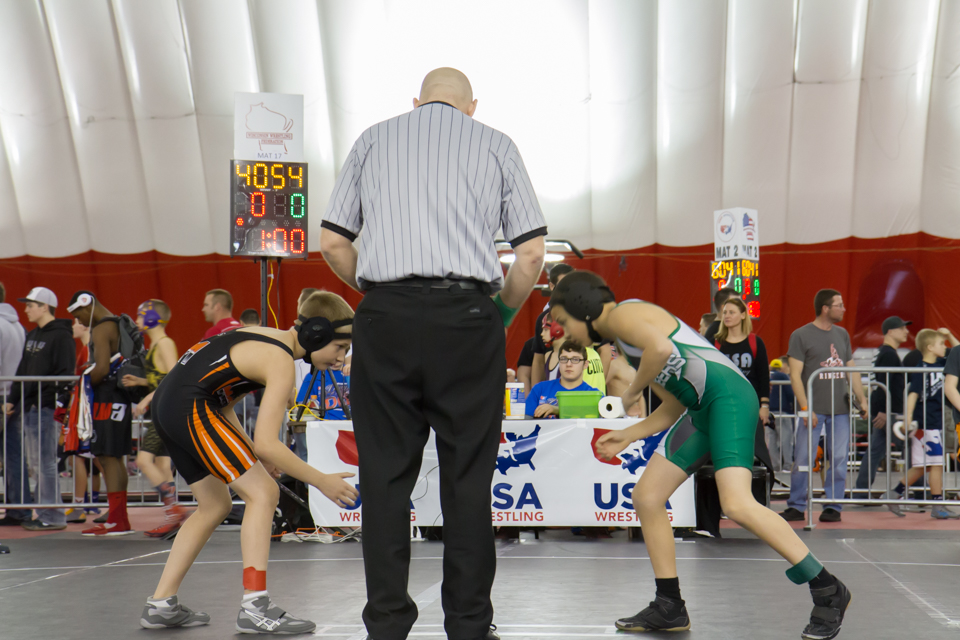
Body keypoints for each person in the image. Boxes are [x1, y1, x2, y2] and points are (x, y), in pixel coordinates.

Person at [320, 67, 546, 640]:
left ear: (416, 101)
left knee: (384, 479)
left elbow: (333, 241)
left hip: (385, 318)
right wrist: (500, 315)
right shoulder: (496, 143)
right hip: (467, 319)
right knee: (468, 479)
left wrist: (379, 295)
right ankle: (469, 625)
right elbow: (530, 255)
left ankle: (387, 625)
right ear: (472, 107)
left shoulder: (373, 139)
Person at [550, 271, 851, 640]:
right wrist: (628, 434)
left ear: (582, 308)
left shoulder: (622, 315)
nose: (564, 331)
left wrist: (630, 393)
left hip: (728, 398)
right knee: (647, 496)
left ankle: (827, 588)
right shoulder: (627, 342)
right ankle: (669, 605)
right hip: (702, 408)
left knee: (737, 503)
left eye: (563, 320)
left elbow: (661, 349)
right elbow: (674, 403)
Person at [139, 291, 359, 633]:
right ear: (316, 335)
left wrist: (251, 453)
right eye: (340, 347)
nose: (341, 357)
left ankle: (160, 604)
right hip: (188, 406)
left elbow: (224, 400)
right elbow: (268, 442)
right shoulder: (280, 360)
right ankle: (256, 606)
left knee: (215, 505)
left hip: (172, 404)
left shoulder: (263, 337)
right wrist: (321, 480)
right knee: (264, 494)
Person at [781, 289, 867, 524]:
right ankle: (797, 505)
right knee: (804, 458)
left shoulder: (842, 334)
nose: (843, 309)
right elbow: (795, 375)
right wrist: (805, 407)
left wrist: (862, 398)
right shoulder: (801, 335)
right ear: (825, 308)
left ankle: (833, 505)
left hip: (840, 409)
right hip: (813, 408)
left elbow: (851, 369)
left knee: (839, 458)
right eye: (839, 305)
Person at [1, 287, 74, 531]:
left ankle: (52, 516)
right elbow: (22, 370)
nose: (26, 310)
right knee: (37, 463)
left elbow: (65, 374)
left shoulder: (61, 336)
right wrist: (13, 399)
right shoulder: (32, 334)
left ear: (44, 307)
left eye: (31, 305)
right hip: (32, 407)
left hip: (46, 407)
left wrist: (51, 402)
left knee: (45, 463)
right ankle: (45, 512)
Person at [67, 291, 135, 536]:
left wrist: (82, 384)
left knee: (107, 457)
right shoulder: (117, 324)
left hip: (107, 398)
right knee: (115, 457)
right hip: (121, 398)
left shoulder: (101, 329)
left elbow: (102, 368)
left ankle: (116, 521)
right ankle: (120, 518)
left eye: (79, 315)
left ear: (88, 305)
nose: (80, 321)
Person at [121, 300, 184, 537]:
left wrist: (147, 398)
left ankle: (174, 511)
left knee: (143, 460)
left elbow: (174, 378)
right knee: (162, 464)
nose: (137, 320)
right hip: (164, 409)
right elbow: (162, 376)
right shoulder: (157, 344)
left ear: (151, 318)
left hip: (164, 410)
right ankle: (172, 517)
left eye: (140, 316)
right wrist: (141, 381)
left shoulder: (165, 343)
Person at [882, 329, 958, 519]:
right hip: (925, 424)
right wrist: (907, 418)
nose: (945, 347)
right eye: (941, 344)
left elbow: (958, 352)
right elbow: (913, 394)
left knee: (924, 466)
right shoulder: (920, 369)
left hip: (934, 422)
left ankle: (894, 494)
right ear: (930, 347)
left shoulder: (941, 364)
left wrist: (949, 335)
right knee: (936, 464)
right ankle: (937, 504)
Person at [852, 316, 910, 499]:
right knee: (909, 448)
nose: (906, 331)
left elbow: (879, 385)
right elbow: (884, 384)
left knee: (875, 451)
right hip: (890, 412)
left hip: (885, 411)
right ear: (891, 332)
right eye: (902, 328)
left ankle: (861, 491)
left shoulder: (882, 352)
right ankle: (920, 489)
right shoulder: (889, 354)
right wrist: (885, 411)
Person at [714, 298, 770, 426]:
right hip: (723, 403)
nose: (727, 316)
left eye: (732, 312)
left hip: (750, 403)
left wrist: (764, 406)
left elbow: (763, 376)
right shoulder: (715, 343)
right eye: (725, 312)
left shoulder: (755, 342)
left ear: (743, 315)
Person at [525, 341, 597, 418]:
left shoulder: (594, 395)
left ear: (585, 364)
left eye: (575, 359)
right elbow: (525, 420)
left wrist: (557, 410)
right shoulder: (540, 389)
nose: (568, 364)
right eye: (564, 359)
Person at [768, 357, 796, 471]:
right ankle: (787, 465)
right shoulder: (783, 376)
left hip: (769, 412)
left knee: (771, 441)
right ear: (780, 368)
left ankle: (774, 465)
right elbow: (790, 393)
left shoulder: (767, 376)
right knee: (786, 440)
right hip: (782, 412)